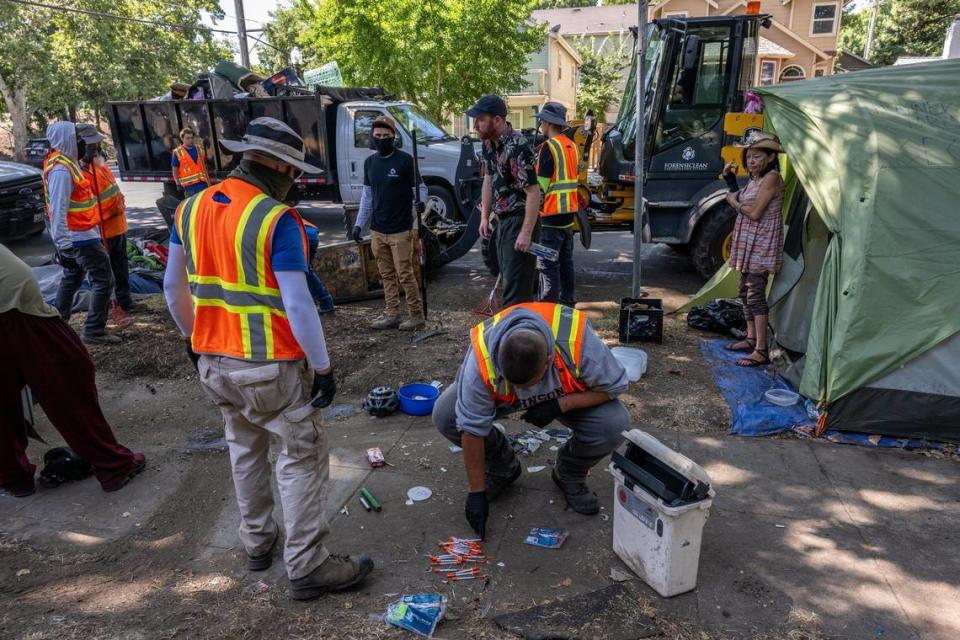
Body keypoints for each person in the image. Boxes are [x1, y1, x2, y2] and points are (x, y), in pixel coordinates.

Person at [163, 117, 373, 600]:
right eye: (293, 171)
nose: (295, 180)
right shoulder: (277, 220)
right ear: (277, 165)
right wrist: (323, 366)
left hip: (214, 361)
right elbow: (298, 303)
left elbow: (174, 289)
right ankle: (308, 565)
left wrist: (193, 339)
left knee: (245, 448)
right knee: (300, 456)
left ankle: (257, 543)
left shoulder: (189, 210)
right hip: (269, 367)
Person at [432, 302, 630, 538]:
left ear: (548, 361)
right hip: (504, 400)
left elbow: (615, 386)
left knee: (615, 424)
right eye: (513, 384)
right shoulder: (481, 361)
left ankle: (569, 473)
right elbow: (471, 429)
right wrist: (476, 492)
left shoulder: (578, 343)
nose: (522, 392)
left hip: (562, 395)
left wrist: (561, 404)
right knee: (446, 415)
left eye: (528, 385)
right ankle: (502, 467)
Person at [0, 244, 145, 497]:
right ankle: (112, 465)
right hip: (17, 309)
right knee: (68, 380)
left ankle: (13, 477)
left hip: (15, 304)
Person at [43, 121, 120, 345]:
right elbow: (58, 210)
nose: (81, 142)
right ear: (67, 140)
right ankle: (94, 329)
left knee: (72, 278)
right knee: (104, 280)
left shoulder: (68, 164)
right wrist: (63, 244)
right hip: (80, 238)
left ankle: (57, 323)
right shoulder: (61, 170)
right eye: (76, 138)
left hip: (80, 234)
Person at [351, 115, 428, 331]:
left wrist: (421, 203)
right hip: (377, 229)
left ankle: (416, 315)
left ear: (393, 137)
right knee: (385, 275)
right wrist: (359, 224)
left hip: (401, 229)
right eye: (378, 136)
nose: (382, 139)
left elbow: (420, 189)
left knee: (405, 274)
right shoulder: (370, 163)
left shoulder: (405, 161)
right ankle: (392, 313)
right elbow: (367, 197)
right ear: (372, 137)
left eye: (386, 136)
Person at [469, 95, 540, 308]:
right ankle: (513, 333)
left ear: (497, 120)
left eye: (481, 119)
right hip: (502, 221)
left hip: (520, 220)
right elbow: (488, 179)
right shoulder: (489, 144)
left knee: (516, 291)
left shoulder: (518, 145)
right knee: (507, 281)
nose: (476, 125)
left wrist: (526, 233)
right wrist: (484, 217)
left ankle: (520, 336)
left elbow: (534, 193)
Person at [722, 131, 785, 367]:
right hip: (750, 239)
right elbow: (740, 197)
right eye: (749, 156)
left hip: (762, 241)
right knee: (744, 290)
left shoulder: (772, 178)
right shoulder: (755, 178)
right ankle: (750, 338)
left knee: (755, 293)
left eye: (757, 157)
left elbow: (755, 213)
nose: (751, 161)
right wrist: (730, 180)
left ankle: (761, 349)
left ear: (770, 157)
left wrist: (733, 203)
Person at [76, 124, 140, 313]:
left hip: (118, 227)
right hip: (103, 230)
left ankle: (125, 301)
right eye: (92, 146)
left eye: (97, 145)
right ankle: (109, 306)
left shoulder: (101, 166)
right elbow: (88, 207)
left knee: (121, 268)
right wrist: (109, 211)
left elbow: (112, 190)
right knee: (105, 274)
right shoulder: (81, 175)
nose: (96, 148)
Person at [534, 102, 579, 306]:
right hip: (568, 217)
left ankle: (548, 308)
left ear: (548, 122)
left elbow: (540, 187)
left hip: (549, 218)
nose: (540, 124)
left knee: (547, 265)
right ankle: (568, 304)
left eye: (542, 120)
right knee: (566, 263)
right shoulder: (572, 147)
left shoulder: (548, 148)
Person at [303, 219, 336, 314]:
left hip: (303, 235)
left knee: (302, 271)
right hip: (310, 233)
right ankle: (324, 302)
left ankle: (325, 302)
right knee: (305, 270)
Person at [170, 127, 212, 197]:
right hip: (189, 187)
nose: (191, 140)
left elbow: (204, 165)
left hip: (202, 184)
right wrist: (177, 184)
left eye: (192, 138)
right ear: (182, 139)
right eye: (188, 138)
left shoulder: (199, 149)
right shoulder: (177, 152)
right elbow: (175, 170)